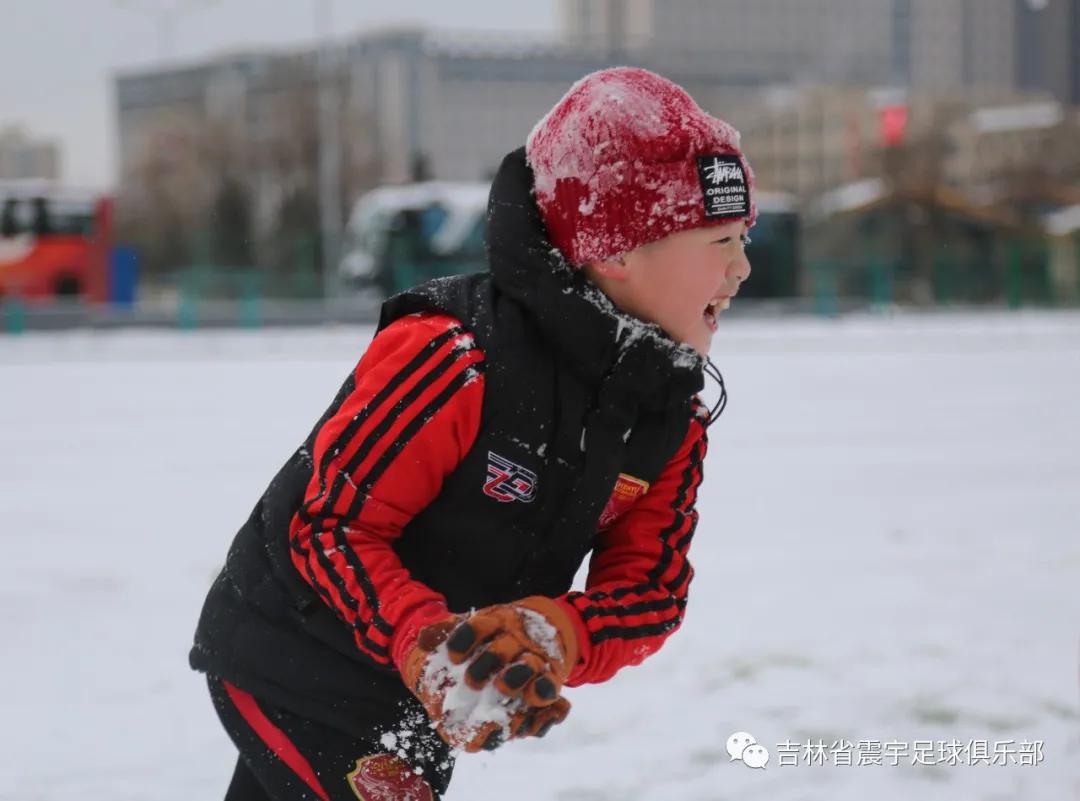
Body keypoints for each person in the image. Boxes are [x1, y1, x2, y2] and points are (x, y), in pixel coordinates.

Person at [190, 66, 755, 801]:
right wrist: (432, 645)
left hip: (412, 705)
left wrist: (549, 633)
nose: (741, 267)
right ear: (616, 249)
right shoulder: (456, 356)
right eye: (718, 240)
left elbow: (650, 589)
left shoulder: (667, 414)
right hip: (296, 657)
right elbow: (329, 528)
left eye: (745, 237)